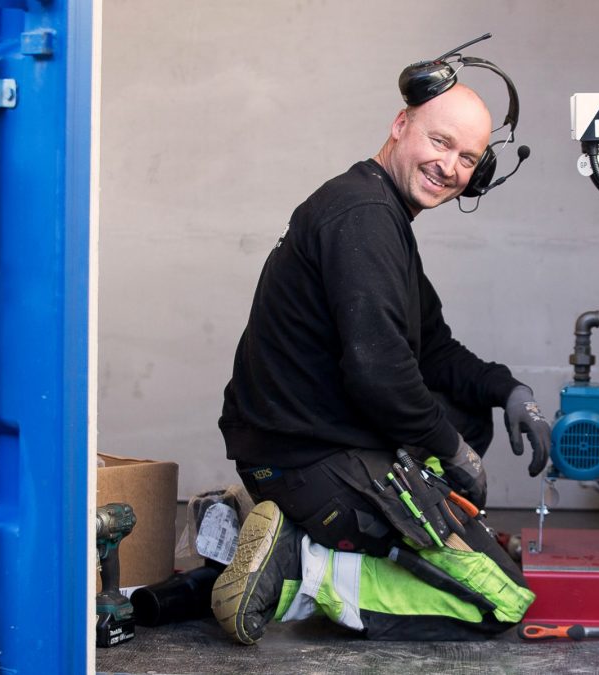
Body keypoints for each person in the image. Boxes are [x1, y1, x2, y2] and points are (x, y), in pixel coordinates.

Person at [211, 80, 551, 643]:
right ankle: (300, 563)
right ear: (400, 126)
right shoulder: (364, 217)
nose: (449, 166)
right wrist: (452, 451)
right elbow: (379, 372)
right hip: (307, 458)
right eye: (440, 142)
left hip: (294, 441)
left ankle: (254, 527)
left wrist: (508, 390)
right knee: (501, 601)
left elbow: (433, 347)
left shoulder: (379, 210)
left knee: (467, 410)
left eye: (466, 158)